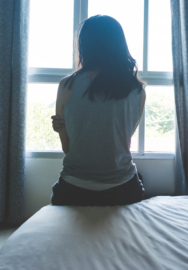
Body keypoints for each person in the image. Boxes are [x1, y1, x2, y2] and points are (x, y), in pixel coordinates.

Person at [50, 15, 146, 206]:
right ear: (120, 45)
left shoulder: (67, 85)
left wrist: (61, 128)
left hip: (74, 189)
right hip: (123, 189)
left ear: (85, 45)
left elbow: (68, 149)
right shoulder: (137, 90)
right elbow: (120, 142)